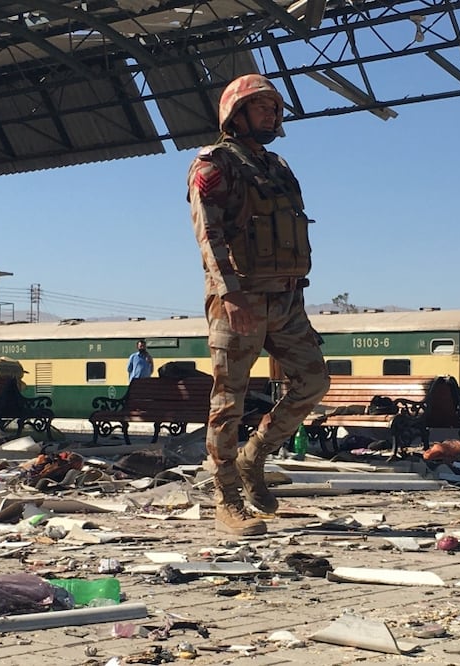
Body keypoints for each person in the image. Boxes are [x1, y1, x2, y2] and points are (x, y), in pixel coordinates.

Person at [187, 73, 330, 536]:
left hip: (286, 298)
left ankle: (255, 457)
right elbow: (209, 235)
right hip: (239, 297)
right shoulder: (213, 165)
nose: (271, 115)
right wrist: (228, 293)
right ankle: (226, 498)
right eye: (262, 107)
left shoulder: (278, 167)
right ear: (236, 113)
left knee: (313, 381)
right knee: (228, 400)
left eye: (274, 108)